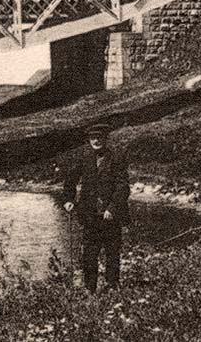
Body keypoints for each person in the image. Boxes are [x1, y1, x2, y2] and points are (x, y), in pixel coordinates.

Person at [61, 122, 130, 292]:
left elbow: (123, 187)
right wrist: (68, 199)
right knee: (89, 254)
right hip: (90, 216)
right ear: (89, 140)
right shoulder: (84, 158)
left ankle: (112, 286)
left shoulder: (116, 157)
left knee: (112, 252)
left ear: (105, 138)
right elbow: (70, 180)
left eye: (99, 137)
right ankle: (90, 288)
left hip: (110, 216)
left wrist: (112, 208)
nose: (96, 140)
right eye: (93, 138)